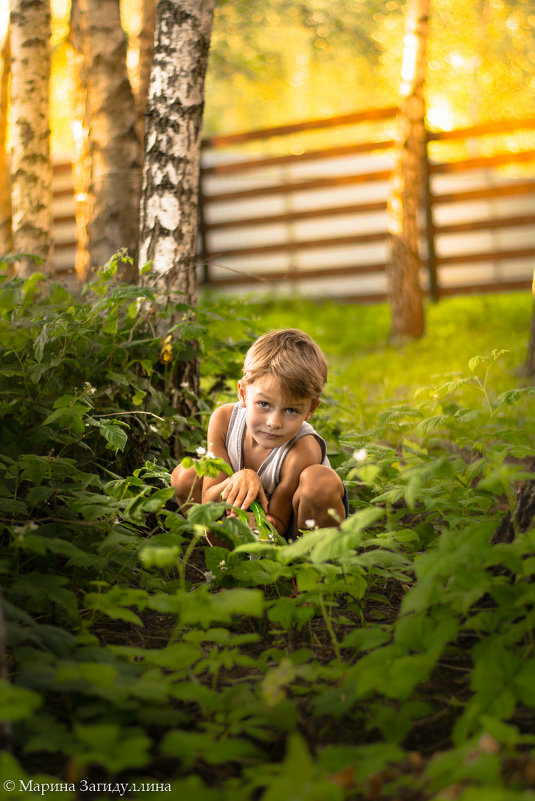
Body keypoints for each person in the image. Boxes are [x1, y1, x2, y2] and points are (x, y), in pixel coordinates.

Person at [171, 328, 348, 538]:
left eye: (291, 410)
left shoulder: (303, 447)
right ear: (243, 393)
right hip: (236, 515)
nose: (274, 423)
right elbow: (209, 499)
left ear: (310, 410)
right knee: (185, 475)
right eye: (264, 404)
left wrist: (256, 520)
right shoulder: (224, 420)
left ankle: (307, 564)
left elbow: (280, 522)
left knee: (320, 481)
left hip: (293, 526)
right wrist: (243, 477)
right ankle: (224, 559)